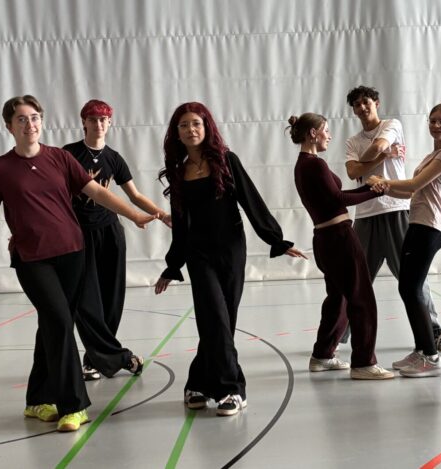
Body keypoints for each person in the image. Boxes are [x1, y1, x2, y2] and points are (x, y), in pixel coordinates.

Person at [0, 95, 156, 432]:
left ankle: (37, 400)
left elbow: (99, 193)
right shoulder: (0, 169)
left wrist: (135, 215)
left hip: (73, 253)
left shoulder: (60, 158)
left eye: (35, 117)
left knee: (52, 325)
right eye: (22, 119)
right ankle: (73, 405)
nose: (30, 124)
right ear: (9, 126)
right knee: (59, 321)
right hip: (32, 259)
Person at [154, 102, 308, 416]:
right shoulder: (178, 171)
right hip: (198, 254)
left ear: (206, 126)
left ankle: (198, 381)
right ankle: (231, 389)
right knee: (213, 317)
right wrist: (173, 264)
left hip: (231, 250)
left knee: (224, 321)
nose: (191, 129)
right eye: (184, 125)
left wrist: (276, 239)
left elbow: (251, 201)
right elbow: (180, 224)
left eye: (196, 123)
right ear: (176, 133)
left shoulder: (226, 160)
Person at [367, 103, 441, 378]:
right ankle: (422, 350)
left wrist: (382, 180)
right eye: (432, 120)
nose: (436, 125)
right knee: (408, 288)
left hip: (429, 228)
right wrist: (383, 188)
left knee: (411, 288)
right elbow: (410, 194)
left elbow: (413, 185)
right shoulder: (434, 155)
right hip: (418, 224)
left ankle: (431, 357)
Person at [343, 86, 441, 352]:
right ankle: (338, 335)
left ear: (376, 102)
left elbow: (375, 150)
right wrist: (382, 156)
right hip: (366, 215)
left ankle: (434, 332)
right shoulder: (352, 141)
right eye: (357, 105)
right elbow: (352, 173)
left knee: (414, 280)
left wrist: (371, 159)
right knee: (355, 278)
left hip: (396, 210)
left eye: (366, 102)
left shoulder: (391, 125)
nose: (362, 107)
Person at [64, 99, 171, 381]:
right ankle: (116, 357)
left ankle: (93, 360)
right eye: (93, 119)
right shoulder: (68, 154)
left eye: (103, 120)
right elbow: (53, 194)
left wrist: (161, 215)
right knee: (87, 302)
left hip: (110, 233)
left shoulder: (114, 158)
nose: (99, 124)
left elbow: (135, 195)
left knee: (111, 299)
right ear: (84, 122)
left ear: (110, 123)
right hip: (78, 235)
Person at [290, 112, 395, 380]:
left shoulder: (303, 165)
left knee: (338, 298)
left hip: (325, 239)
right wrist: (375, 191)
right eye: (326, 130)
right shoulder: (314, 164)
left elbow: (334, 196)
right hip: (339, 238)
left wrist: (371, 189)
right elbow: (339, 199)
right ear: (313, 133)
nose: (329, 135)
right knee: (362, 298)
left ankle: (323, 355)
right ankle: (364, 363)